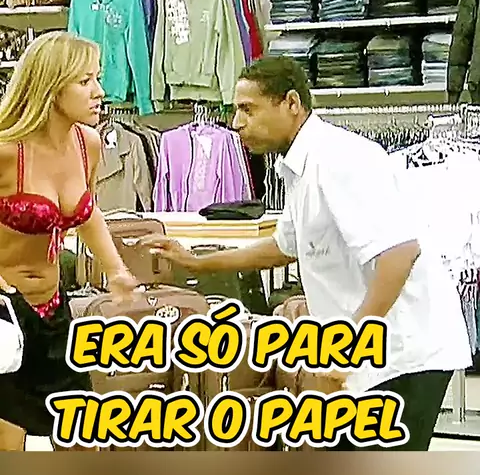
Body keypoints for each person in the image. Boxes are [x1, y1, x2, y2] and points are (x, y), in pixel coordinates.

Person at [140, 55, 472, 450]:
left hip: (405, 354)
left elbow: (400, 253)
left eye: (248, 109)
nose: (236, 123)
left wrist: (350, 348)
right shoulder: (301, 165)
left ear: (292, 103)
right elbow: (285, 246)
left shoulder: (339, 160)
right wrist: (198, 261)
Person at [0, 30, 139, 450]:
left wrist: (116, 270)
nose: (99, 92)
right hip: (5, 315)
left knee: (80, 430)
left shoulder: (87, 144)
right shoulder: (7, 150)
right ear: (51, 87)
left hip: (54, 309)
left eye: (97, 78)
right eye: (84, 81)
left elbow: (87, 211)